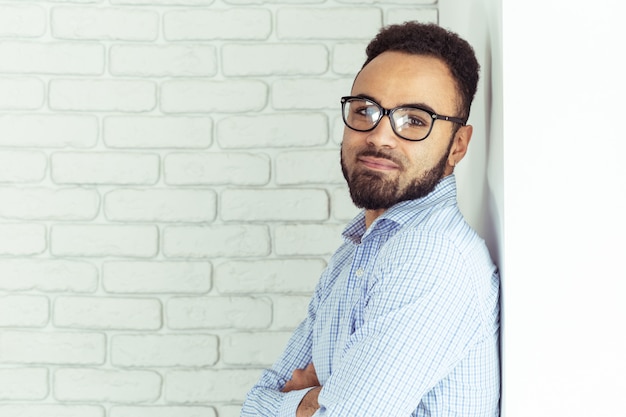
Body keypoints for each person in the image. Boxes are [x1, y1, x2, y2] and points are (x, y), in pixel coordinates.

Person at [241, 21, 500, 417]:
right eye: (366, 110)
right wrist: (309, 402)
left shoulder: (432, 258)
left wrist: (300, 404)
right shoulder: (357, 253)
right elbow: (256, 403)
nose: (380, 136)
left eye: (415, 119)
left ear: (457, 146)